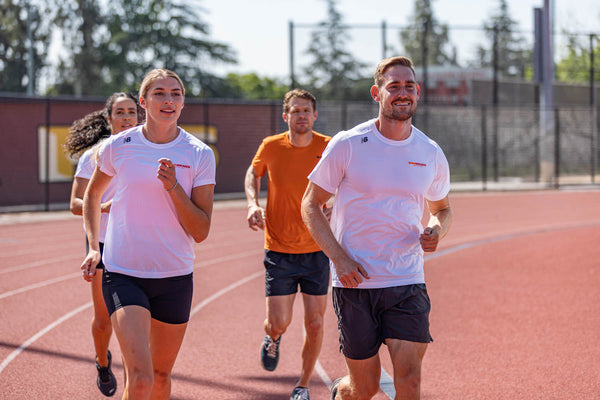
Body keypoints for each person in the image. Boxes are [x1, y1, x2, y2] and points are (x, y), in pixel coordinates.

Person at [301, 56, 453, 400]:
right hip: (355, 283)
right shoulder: (348, 144)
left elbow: (442, 209)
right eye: (394, 86)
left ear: (418, 93)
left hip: (407, 281)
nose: (403, 93)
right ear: (377, 93)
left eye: (409, 86)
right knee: (365, 389)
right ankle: (343, 391)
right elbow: (310, 204)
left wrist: (436, 230)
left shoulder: (429, 152)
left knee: (410, 380)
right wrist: (339, 259)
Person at [80, 69, 216, 400]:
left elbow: (201, 230)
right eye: (159, 93)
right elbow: (91, 196)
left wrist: (173, 188)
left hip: (175, 276)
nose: (168, 100)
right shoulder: (118, 147)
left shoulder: (199, 154)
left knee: (160, 376)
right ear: (143, 101)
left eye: (176, 93)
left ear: (183, 102)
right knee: (139, 378)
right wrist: (93, 247)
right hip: (124, 273)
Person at [245, 89, 331, 400]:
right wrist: (253, 203)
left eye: (306, 110)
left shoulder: (328, 146)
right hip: (279, 250)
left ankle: (303, 385)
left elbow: (347, 181)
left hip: (317, 249)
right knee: (278, 322)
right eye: (295, 111)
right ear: (286, 117)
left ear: (315, 115)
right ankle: (273, 337)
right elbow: (253, 174)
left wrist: (335, 202)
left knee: (316, 323)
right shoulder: (271, 147)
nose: (302, 116)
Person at [65, 92, 140, 397]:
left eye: (131, 112)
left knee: (136, 317)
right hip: (103, 242)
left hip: (139, 243)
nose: (126, 118)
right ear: (109, 119)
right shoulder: (94, 155)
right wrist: (105, 206)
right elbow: (75, 203)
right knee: (103, 320)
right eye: (120, 112)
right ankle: (101, 362)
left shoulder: (149, 152)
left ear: (140, 116)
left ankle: (137, 375)